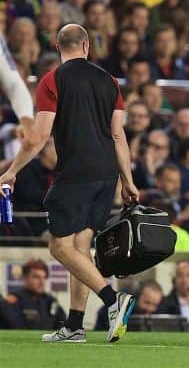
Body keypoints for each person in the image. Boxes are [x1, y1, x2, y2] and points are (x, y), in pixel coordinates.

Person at [0, 24, 139, 343]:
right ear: (87, 45)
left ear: (57, 46)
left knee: (59, 246)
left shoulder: (52, 80)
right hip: (107, 174)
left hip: (76, 173)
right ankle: (75, 324)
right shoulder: (110, 80)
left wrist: (11, 171)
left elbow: (38, 137)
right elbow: (119, 135)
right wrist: (127, 180)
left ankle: (112, 300)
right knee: (80, 248)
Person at [0, 259, 66, 329]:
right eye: (36, 277)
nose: (42, 282)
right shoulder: (13, 300)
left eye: (44, 278)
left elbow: (63, 326)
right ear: (25, 277)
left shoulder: (51, 302)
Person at [94, 280, 165, 331]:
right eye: (147, 303)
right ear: (137, 296)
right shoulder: (120, 305)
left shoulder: (161, 313)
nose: (150, 308)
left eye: (154, 305)